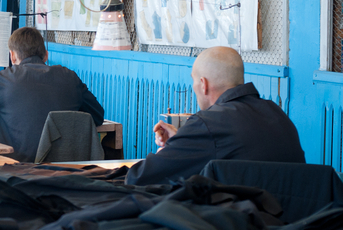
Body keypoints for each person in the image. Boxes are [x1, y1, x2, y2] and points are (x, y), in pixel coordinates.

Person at [125, 46, 305, 185]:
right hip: (298, 219)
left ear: (203, 84)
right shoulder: (277, 113)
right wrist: (181, 142)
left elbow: (138, 178)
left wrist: (168, 150)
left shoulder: (208, 124)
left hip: (242, 220)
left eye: (194, 81)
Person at [0, 26, 104, 162]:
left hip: (19, 173)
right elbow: (97, 116)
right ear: (46, 55)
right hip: (71, 174)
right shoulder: (70, 78)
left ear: (12, 56)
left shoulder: (2, 81)